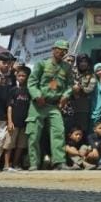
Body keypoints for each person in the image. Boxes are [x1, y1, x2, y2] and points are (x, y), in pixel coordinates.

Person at [25, 40, 74, 170]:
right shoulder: (42, 64)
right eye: (59, 49)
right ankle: (33, 163)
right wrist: (36, 95)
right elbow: (32, 82)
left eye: (65, 50)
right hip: (38, 105)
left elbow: (70, 85)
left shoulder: (67, 67)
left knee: (58, 131)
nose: (62, 52)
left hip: (54, 105)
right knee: (34, 135)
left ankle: (59, 162)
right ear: (53, 49)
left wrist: (66, 95)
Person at [3, 65, 31, 171]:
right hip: (14, 122)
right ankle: (6, 165)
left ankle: (15, 164)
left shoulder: (29, 91)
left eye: (24, 76)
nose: (21, 78)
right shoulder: (13, 90)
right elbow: (9, 107)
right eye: (19, 76)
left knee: (20, 145)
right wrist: (10, 121)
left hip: (25, 122)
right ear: (16, 77)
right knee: (9, 144)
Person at [69, 55, 96, 135]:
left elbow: (89, 89)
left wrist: (79, 87)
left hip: (83, 104)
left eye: (85, 62)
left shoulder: (91, 75)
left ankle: (81, 143)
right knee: (70, 124)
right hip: (70, 102)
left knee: (82, 125)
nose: (83, 64)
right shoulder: (72, 72)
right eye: (81, 61)